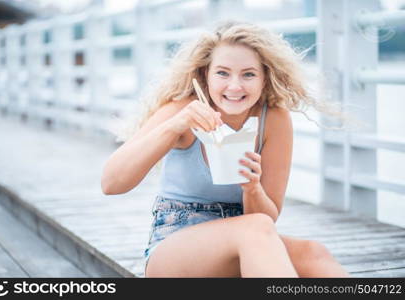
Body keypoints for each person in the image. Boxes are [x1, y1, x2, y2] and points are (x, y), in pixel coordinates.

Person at [101, 21, 349, 278]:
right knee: (254, 230)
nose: (234, 86)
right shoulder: (182, 111)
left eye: (248, 74)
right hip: (174, 247)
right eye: (222, 73)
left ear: (265, 78)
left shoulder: (273, 119)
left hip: (245, 240)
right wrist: (175, 126)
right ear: (204, 74)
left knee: (314, 253)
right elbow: (111, 183)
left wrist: (252, 188)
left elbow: (267, 218)